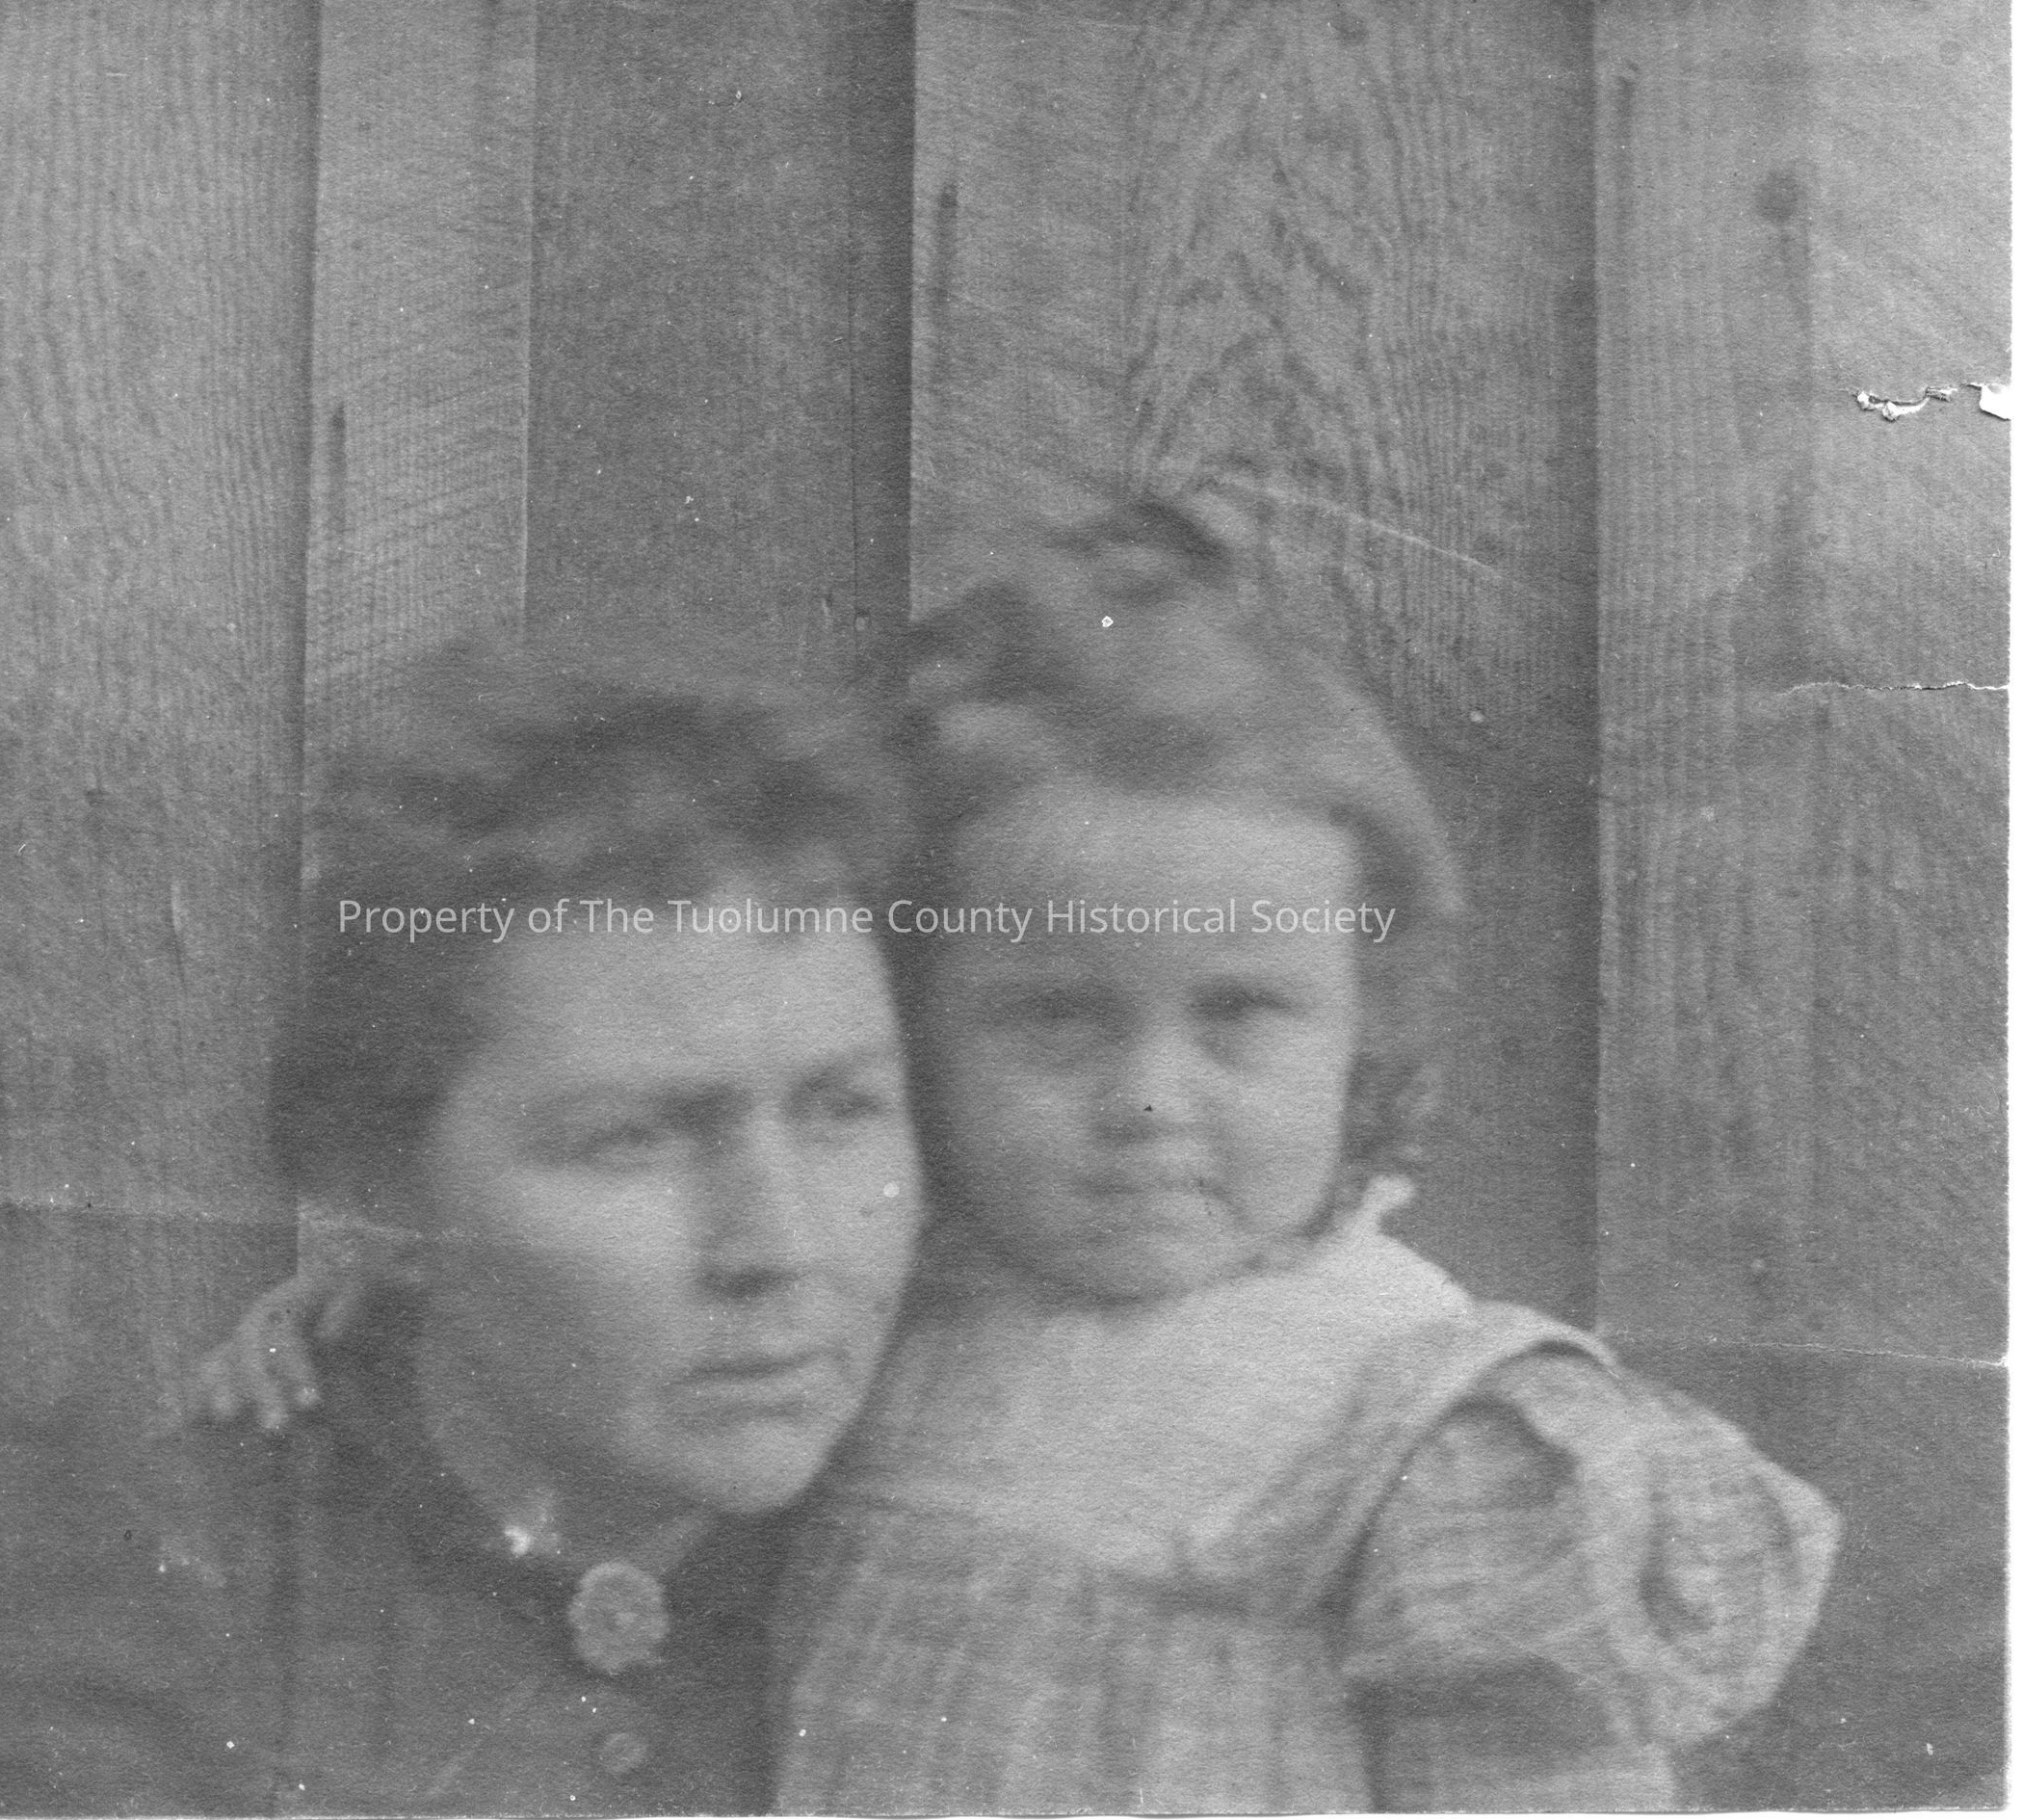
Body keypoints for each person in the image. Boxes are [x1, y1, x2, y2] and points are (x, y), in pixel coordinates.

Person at [202, 496, 1841, 1812]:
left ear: (1365, 1023)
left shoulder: (1427, 1423)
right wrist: (359, 1291)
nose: (1149, 1099)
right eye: (1059, 1020)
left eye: (1240, 1014)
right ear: (925, 1024)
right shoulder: (901, 1302)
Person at [0, 642, 927, 1815]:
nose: (782, 1245)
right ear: (385, 1183)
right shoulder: (114, 1603)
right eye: (631, 1138)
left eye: (842, 1108)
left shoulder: (965, 1519)